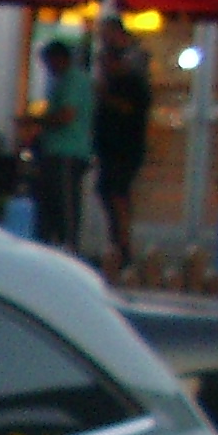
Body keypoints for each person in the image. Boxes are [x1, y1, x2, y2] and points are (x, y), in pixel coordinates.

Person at [92, 23, 152, 272]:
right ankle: (116, 242)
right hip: (110, 150)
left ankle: (123, 245)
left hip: (124, 150)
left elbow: (130, 109)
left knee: (118, 195)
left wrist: (105, 96)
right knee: (109, 194)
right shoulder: (114, 84)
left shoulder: (131, 84)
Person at [34, 38, 94, 250]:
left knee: (65, 203)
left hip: (67, 152)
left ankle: (69, 245)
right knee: (51, 203)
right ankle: (55, 242)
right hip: (55, 151)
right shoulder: (61, 82)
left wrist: (38, 121)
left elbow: (67, 115)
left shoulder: (74, 81)